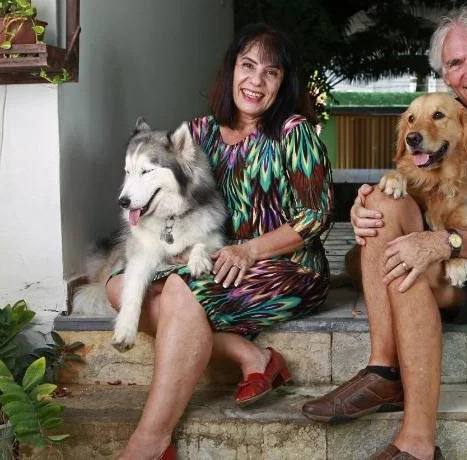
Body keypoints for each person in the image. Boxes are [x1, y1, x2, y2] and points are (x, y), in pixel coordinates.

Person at [302, 5, 467, 460]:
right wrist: (365, 207)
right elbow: (416, 187)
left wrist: (442, 243)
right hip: (453, 245)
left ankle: (417, 444)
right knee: (383, 206)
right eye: (455, 63)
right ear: (446, 76)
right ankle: (382, 369)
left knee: (407, 270)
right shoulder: (446, 118)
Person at [106, 23, 333, 460]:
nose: (256, 80)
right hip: (215, 255)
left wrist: (249, 250)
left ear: (283, 82)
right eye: (248, 66)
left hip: (287, 266)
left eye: (271, 72)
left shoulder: (294, 132)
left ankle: (150, 442)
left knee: (179, 292)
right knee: (119, 286)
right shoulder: (200, 132)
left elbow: (317, 216)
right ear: (231, 70)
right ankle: (251, 356)